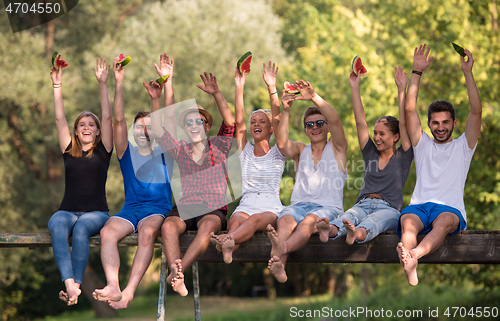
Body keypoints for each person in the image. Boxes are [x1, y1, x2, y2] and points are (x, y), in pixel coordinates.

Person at [92, 54, 175, 308]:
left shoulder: (165, 151)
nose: (143, 131)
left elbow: (167, 122)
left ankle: (128, 291)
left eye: (148, 127)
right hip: (130, 210)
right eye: (139, 127)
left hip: (157, 211)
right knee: (107, 232)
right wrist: (117, 82)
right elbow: (117, 120)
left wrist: (160, 92)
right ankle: (113, 286)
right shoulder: (125, 152)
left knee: (148, 232)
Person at [397, 44, 481, 286]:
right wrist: (416, 72)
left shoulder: (464, 146)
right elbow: (409, 108)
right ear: (429, 124)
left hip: (449, 209)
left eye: (445, 122)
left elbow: (476, 111)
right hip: (420, 206)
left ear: (454, 122)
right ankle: (410, 263)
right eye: (435, 123)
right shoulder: (422, 144)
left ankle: (413, 255)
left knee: (443, 223)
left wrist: (467, 72)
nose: (441, 127)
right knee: (408, 223)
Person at [155, 72, 235, 296]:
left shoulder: (219, 147)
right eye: (188, 122)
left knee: (208, 227)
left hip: (212, 207)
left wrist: (217, 93)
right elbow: (159, 129)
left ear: (207, 126)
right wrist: (157, 95)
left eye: (198, 121)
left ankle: (178, 273)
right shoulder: (181, 149)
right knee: (168, 226)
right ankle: (176, 273)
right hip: (186, 207)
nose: (193, 125)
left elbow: (230, 122)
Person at [316, 66, 413, 244]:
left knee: (374, 222)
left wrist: (401, 90)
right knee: (348, 216)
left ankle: (356, 234)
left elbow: (405, 123)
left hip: (389, 209)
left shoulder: (404, 156)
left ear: (396, 136)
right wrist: (355, 86)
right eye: (375, 133)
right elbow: (360, 121)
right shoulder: (370, 153)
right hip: (363, 204)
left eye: (382, 134)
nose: (376, 137)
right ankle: (328, 229)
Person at [267, 80, 348, 283]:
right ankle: (279, 266)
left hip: (327, 209)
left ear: (327, 127)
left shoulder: (337, 148)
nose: (315, 127)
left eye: (320, 123)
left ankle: (281, 250)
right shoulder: (301, 150)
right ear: (305, 130)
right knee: (285, 221)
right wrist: (285, 111)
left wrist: (313, 96)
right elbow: (282, 144)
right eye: (309, 124)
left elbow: (336, 120)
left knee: (309, 222)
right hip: (298, 206)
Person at [48, 58, 113, 305]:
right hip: (67, 210)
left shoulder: (104, 150)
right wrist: (57, 86)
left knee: (82, 228)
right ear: (76, 131)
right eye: (81, 125)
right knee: (55, 223)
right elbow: (59, 119)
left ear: (97, 131)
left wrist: (103, 84)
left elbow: (108, 118)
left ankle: (75, 284)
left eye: (91, 125)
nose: (86, 127)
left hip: (96, 213)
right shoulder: (68, 149)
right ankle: (69, 284)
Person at [210, 62, 286, 264]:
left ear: (271, 129)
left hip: (270, 206)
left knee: (253, 221)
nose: (256, 124)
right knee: (235, 220)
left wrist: (272, 87)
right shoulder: (246, 151)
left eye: (262, 121)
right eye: (254, 122)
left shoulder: (279, 151)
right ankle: (229, 249)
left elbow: (278, 117)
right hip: (247, 201)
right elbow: (239, 120)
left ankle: (227, 241)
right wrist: (239, 85)